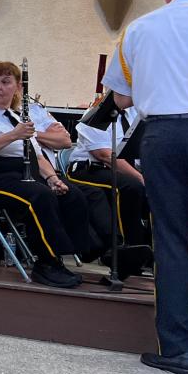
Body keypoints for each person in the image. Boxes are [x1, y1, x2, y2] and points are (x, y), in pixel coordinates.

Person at [103, 0, 188, 374]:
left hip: (162, 134)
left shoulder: (138, 28)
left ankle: (176, 351)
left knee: (172, 240)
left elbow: (121, 97)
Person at [0, 61, 95, 289]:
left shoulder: (14, 116)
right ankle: (46, 262)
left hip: (19, 172)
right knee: (38, 197)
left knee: (72, 195)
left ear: (18, 88)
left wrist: (52, 178)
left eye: (5, 82)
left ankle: (65, 255)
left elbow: (38, 156)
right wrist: (12, 135)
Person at [65, 102, 151, 277]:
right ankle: (126, 250)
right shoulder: (99, 114)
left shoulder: (137, 114)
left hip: (123, 171)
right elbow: (104, 155)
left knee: (161, 190)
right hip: (88, 169)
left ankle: (154, 252)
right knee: (130, 186)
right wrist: (142, 179)